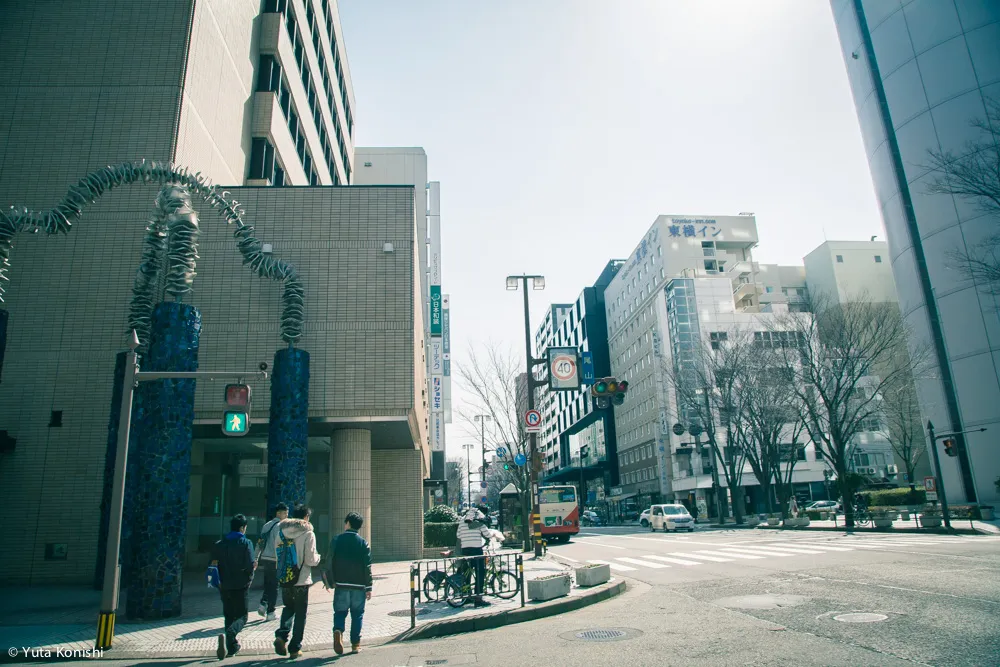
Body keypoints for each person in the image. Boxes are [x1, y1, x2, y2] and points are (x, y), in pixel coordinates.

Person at [273, 505, 321, 659]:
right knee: (300, 613)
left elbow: (277, 554)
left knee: (288, 607)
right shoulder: (308, 533)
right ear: (306, 516)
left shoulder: (281, 531)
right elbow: (311, 560)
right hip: (302, 579)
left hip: (285, 577)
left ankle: (281, 636)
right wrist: (319, 557)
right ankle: (295, 647)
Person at [326, 512, 373, 655]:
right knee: (357, 614)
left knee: (340, 612)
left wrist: (330, 581)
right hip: (359, 585)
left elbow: (329, 561)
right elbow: (367, 566)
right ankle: (355, 644)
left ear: (347, 523)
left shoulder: (336, 540)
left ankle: (338, 630)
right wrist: (369, 586)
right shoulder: (363, 543)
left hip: (341, 584)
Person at [210, 514, 256, 660]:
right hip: (240, 584)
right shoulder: (245, 543)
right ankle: (231, 634)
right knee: (242, 616)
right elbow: (250, 564)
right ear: (242, 528)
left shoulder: (219, 544)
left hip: (224, 585)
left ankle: (232, 647)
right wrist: (249, 578)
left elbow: (212, 564)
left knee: (228, 614)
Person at [255, 502, 289, 620]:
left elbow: (260, 543)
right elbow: (281, 545)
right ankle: (271, 612)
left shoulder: (267, 525)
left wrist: (256, 558)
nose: (286, 516)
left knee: (268, 583)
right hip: (275, 559)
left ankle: (263, 604)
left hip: (265, 558)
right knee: (274, 586)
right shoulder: (281, 526)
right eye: (285, 513)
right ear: (279, 513)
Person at [456, 504, 493, 607]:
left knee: (467, 573)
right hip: (476, 550)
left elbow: (458, 535)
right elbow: (488, 534)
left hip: (465, 550)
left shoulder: (462, 520)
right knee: (480, 572)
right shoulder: (479, 521)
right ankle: (478, 598)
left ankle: (467, 596)